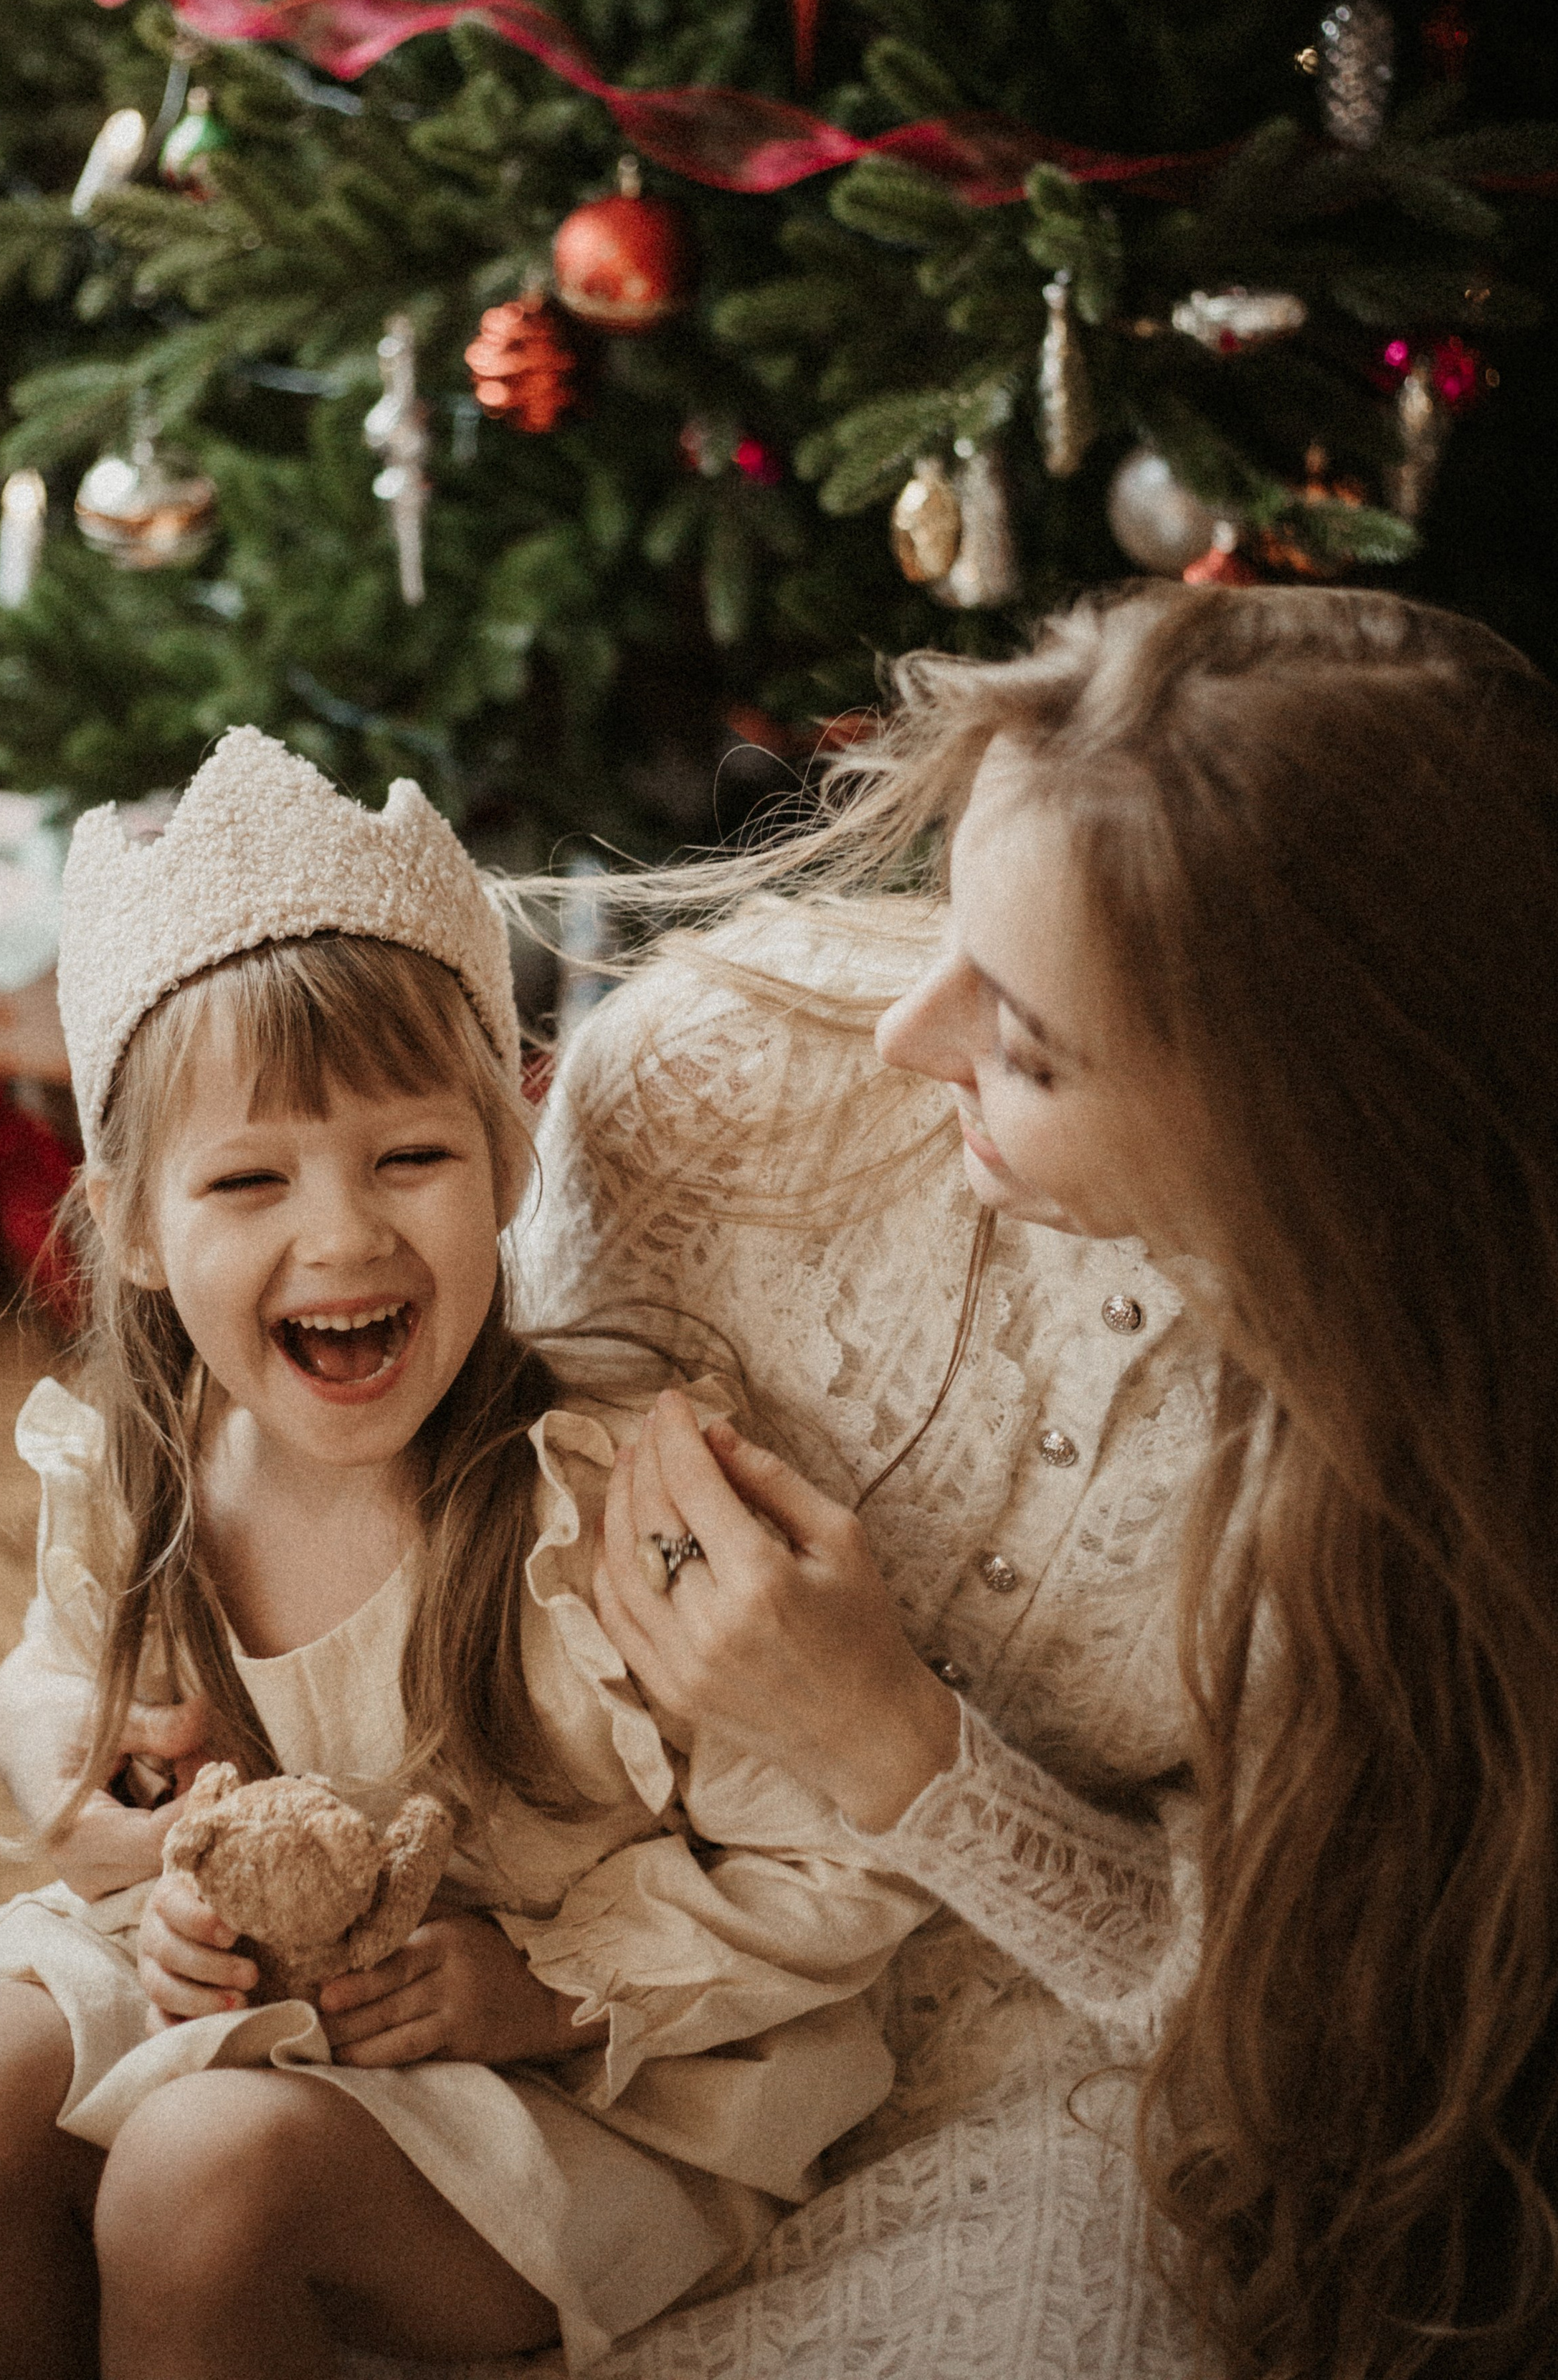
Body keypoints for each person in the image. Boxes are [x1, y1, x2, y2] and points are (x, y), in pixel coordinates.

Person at [508, 581, 1558, 2380]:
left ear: (1291, 1121)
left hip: (1041, 2082)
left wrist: (890, 1748)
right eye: (950, 920)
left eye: (1027, 1039)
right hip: (564, 1939)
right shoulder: (711, 1084)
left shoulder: (1418, 1459)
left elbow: (1270, 2044)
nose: (907, 1033)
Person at [0, 726, 938, 2380]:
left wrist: (550, 1990)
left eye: (410, 1157)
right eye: (248, 1178)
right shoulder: (135, 1478)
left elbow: (834, 1857)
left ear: (506, 1157)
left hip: (580, 2081)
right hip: (272, 2012)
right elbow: (58, 1691)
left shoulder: (611, 1505)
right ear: (135, 1225)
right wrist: (143, 1860)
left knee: (197, 2180)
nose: (344, 1232)